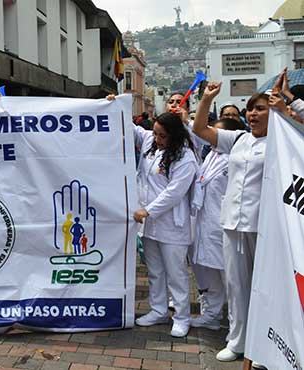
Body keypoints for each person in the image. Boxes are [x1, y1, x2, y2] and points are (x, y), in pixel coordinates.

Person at [191, 76, 289, 367]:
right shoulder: (238, 139)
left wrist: (287, 108)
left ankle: (265, 347)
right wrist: (207, 98)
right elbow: (198, 129)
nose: (253, 114)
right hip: (232, 223)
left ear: (274, 111)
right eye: (250, 109)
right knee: (236, 286)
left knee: (267, 289)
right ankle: (238, 341)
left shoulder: (284, 141)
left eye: (260, 109)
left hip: (265, 226)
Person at [110, 93, 198, 337]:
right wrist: (113, 105)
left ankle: (181, 317)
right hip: (148, 224)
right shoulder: (151, 141)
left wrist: (148, 211)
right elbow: (133, 130)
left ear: (175, 136)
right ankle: (158, 310)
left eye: (163, 136)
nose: (157, 139)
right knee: (155, 270)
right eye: (156, 133)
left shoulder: (185, 157)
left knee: (176, 273)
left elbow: (174, 193)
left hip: (171, 223)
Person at [188, 118, 246, 331]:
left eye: (215, 133)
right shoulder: (211, 154)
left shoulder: (236, 159)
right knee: (207, 271)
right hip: (204, 223)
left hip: (224, 225)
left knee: (230, 278)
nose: (209, 136)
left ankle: (238, 326)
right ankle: (212, 315)